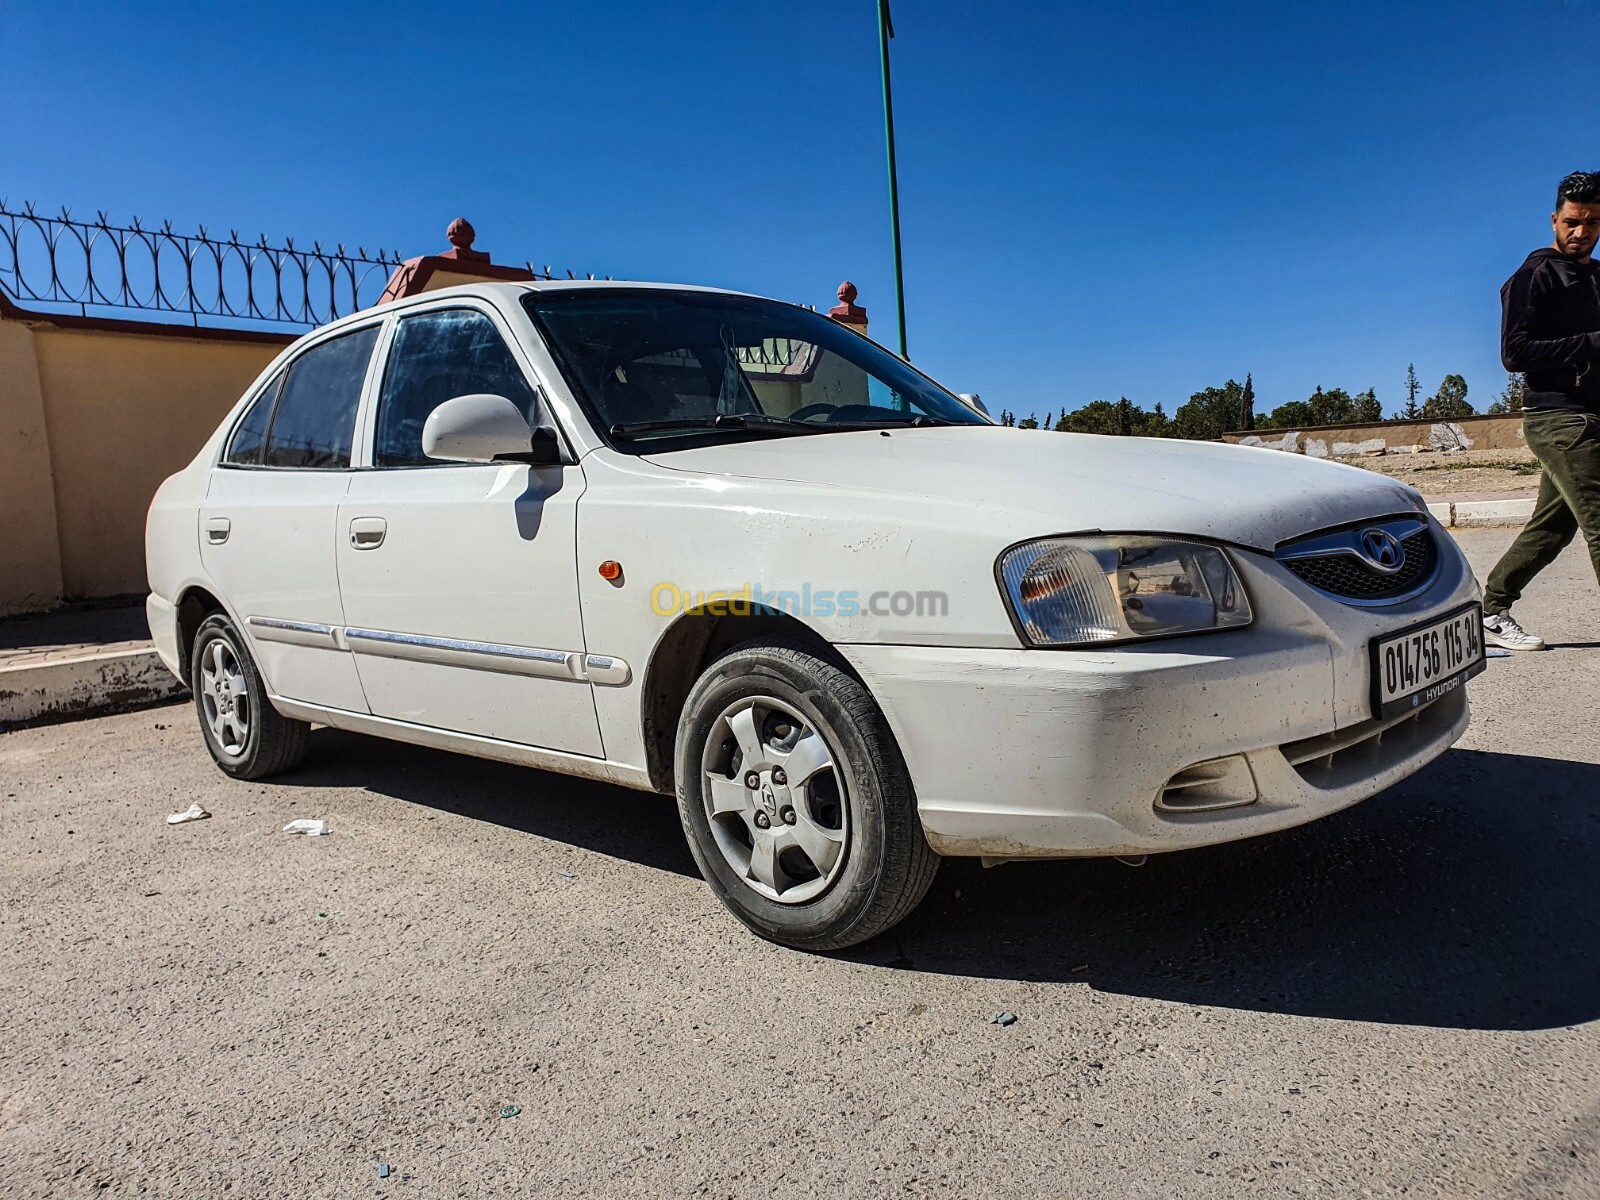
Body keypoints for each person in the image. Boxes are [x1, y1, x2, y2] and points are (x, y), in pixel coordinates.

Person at [1481, 170, 1600, 650]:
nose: (1581, 232)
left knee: (1554, 526)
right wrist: (1591, 344)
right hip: (1558, 418)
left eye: (1592, 222)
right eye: (1572, 221)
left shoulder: (1595, 277)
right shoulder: (1535, 274)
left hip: (1590, 413)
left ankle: (1490, 609)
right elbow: (1514, 353)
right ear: (1554, 219)